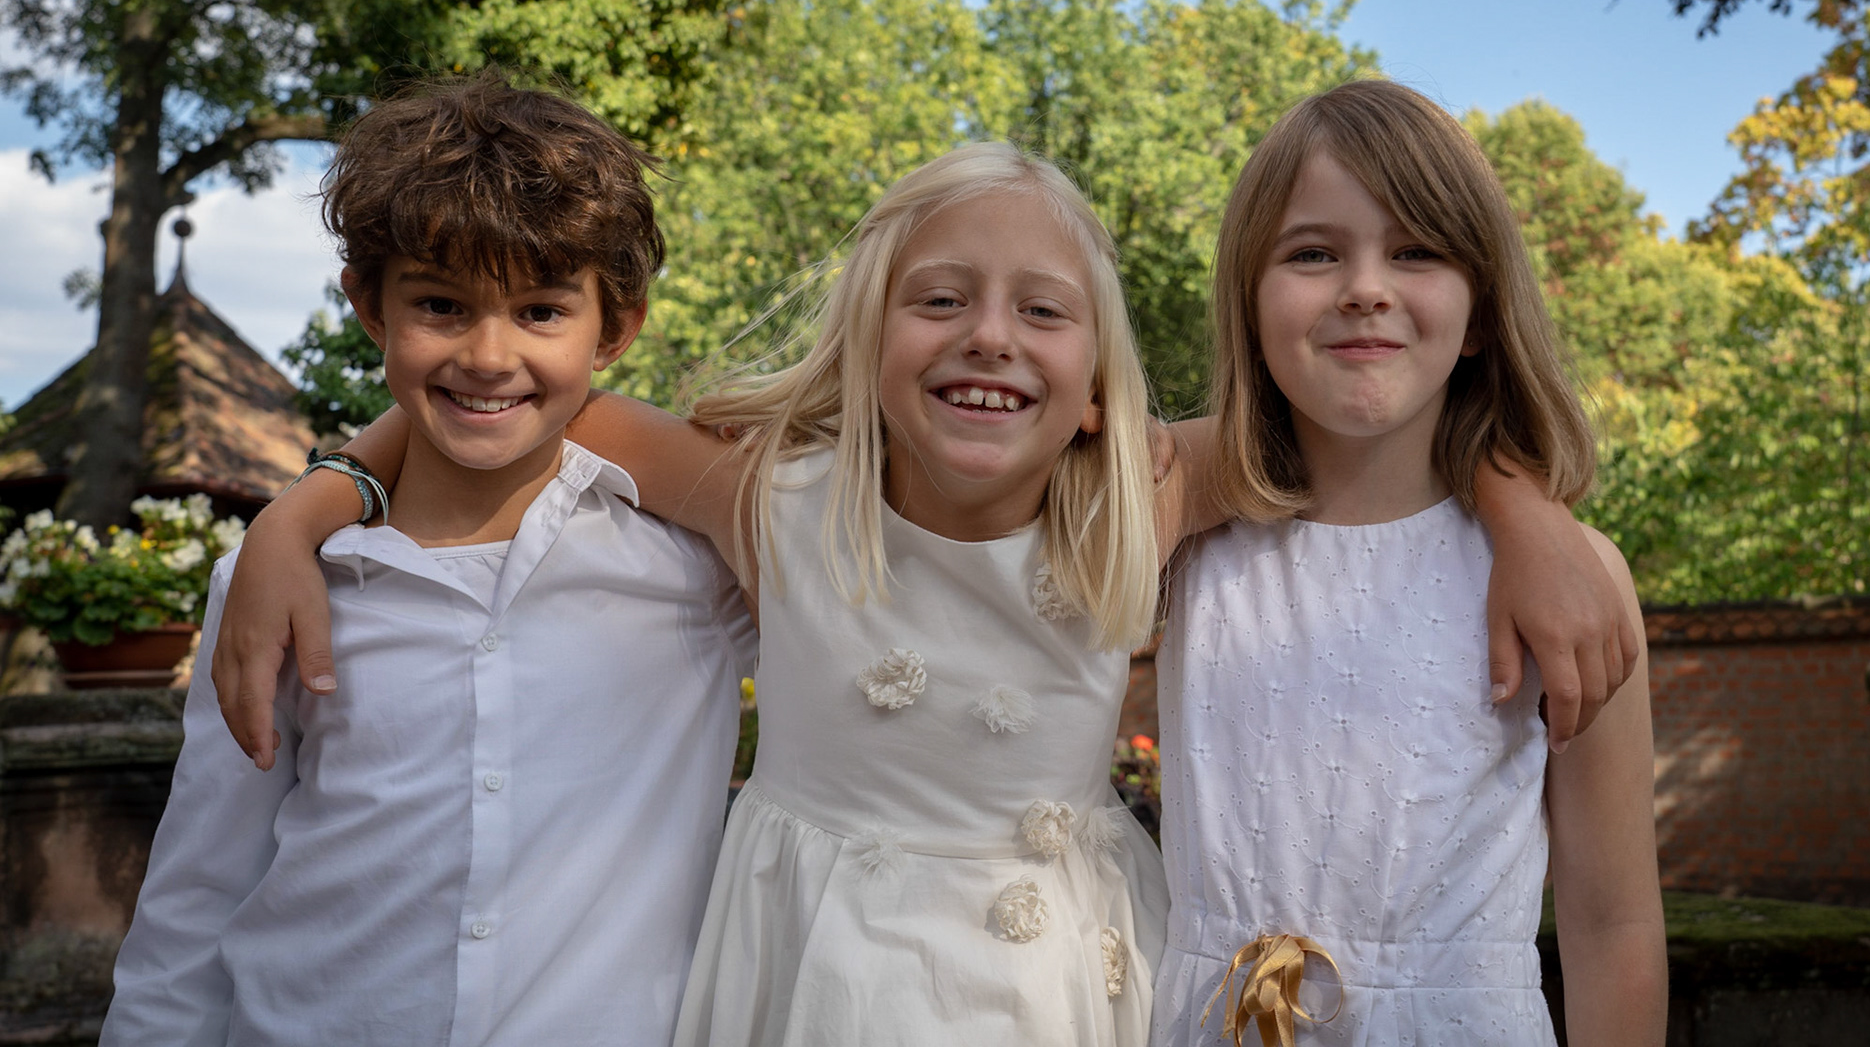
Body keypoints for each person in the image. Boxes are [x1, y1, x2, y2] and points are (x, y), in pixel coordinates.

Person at [211, 142, 1636, 1046]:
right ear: (869, 339)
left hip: (1059, 985)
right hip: (812, 970)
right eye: (941, 299)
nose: (989, 338)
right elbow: (539, 397)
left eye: (1042, 311)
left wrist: (1525, 509)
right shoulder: (775, 503)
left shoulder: (1139, 495)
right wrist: (309, 507)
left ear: (1097, 383)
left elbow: (1361, 424)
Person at [99, 75, 754, 1047]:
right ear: (370, 307)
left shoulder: (698, 574)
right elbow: (197, 898)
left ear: (616, 328)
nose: (488, 356)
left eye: (541, 311)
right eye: (442, 305)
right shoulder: (278, 583)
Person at [1150, 79, 1666, 1047]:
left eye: (1417, 251)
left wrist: (1519, 504)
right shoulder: (1182, 533)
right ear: (1250, 302)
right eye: (1313, 253)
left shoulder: (1571, 579)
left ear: (1481, 314)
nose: (1365, 287)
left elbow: (1614, 923)